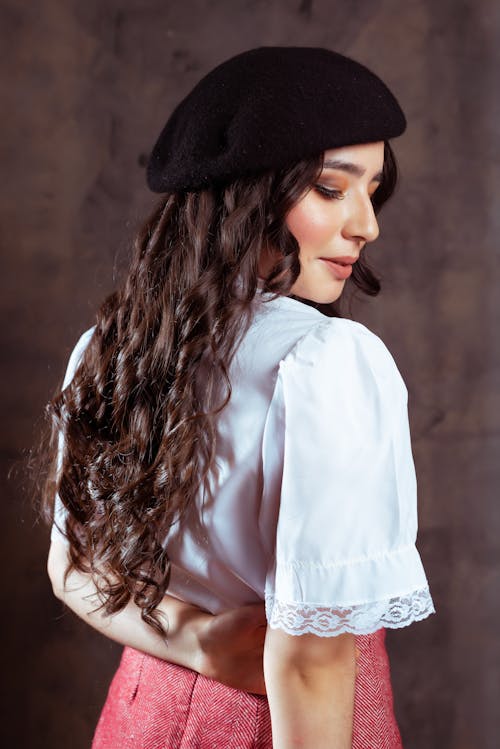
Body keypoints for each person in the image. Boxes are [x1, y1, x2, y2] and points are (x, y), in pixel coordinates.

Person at [43, 46, 436, 748]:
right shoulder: (326, 365)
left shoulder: (108, 351)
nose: (366, 224)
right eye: (329, 188)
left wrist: (195, 642)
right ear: (245, 193)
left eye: (371, 190)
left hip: (137, 718)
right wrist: (213, 648)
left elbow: (69, 569)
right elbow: (311, 666)